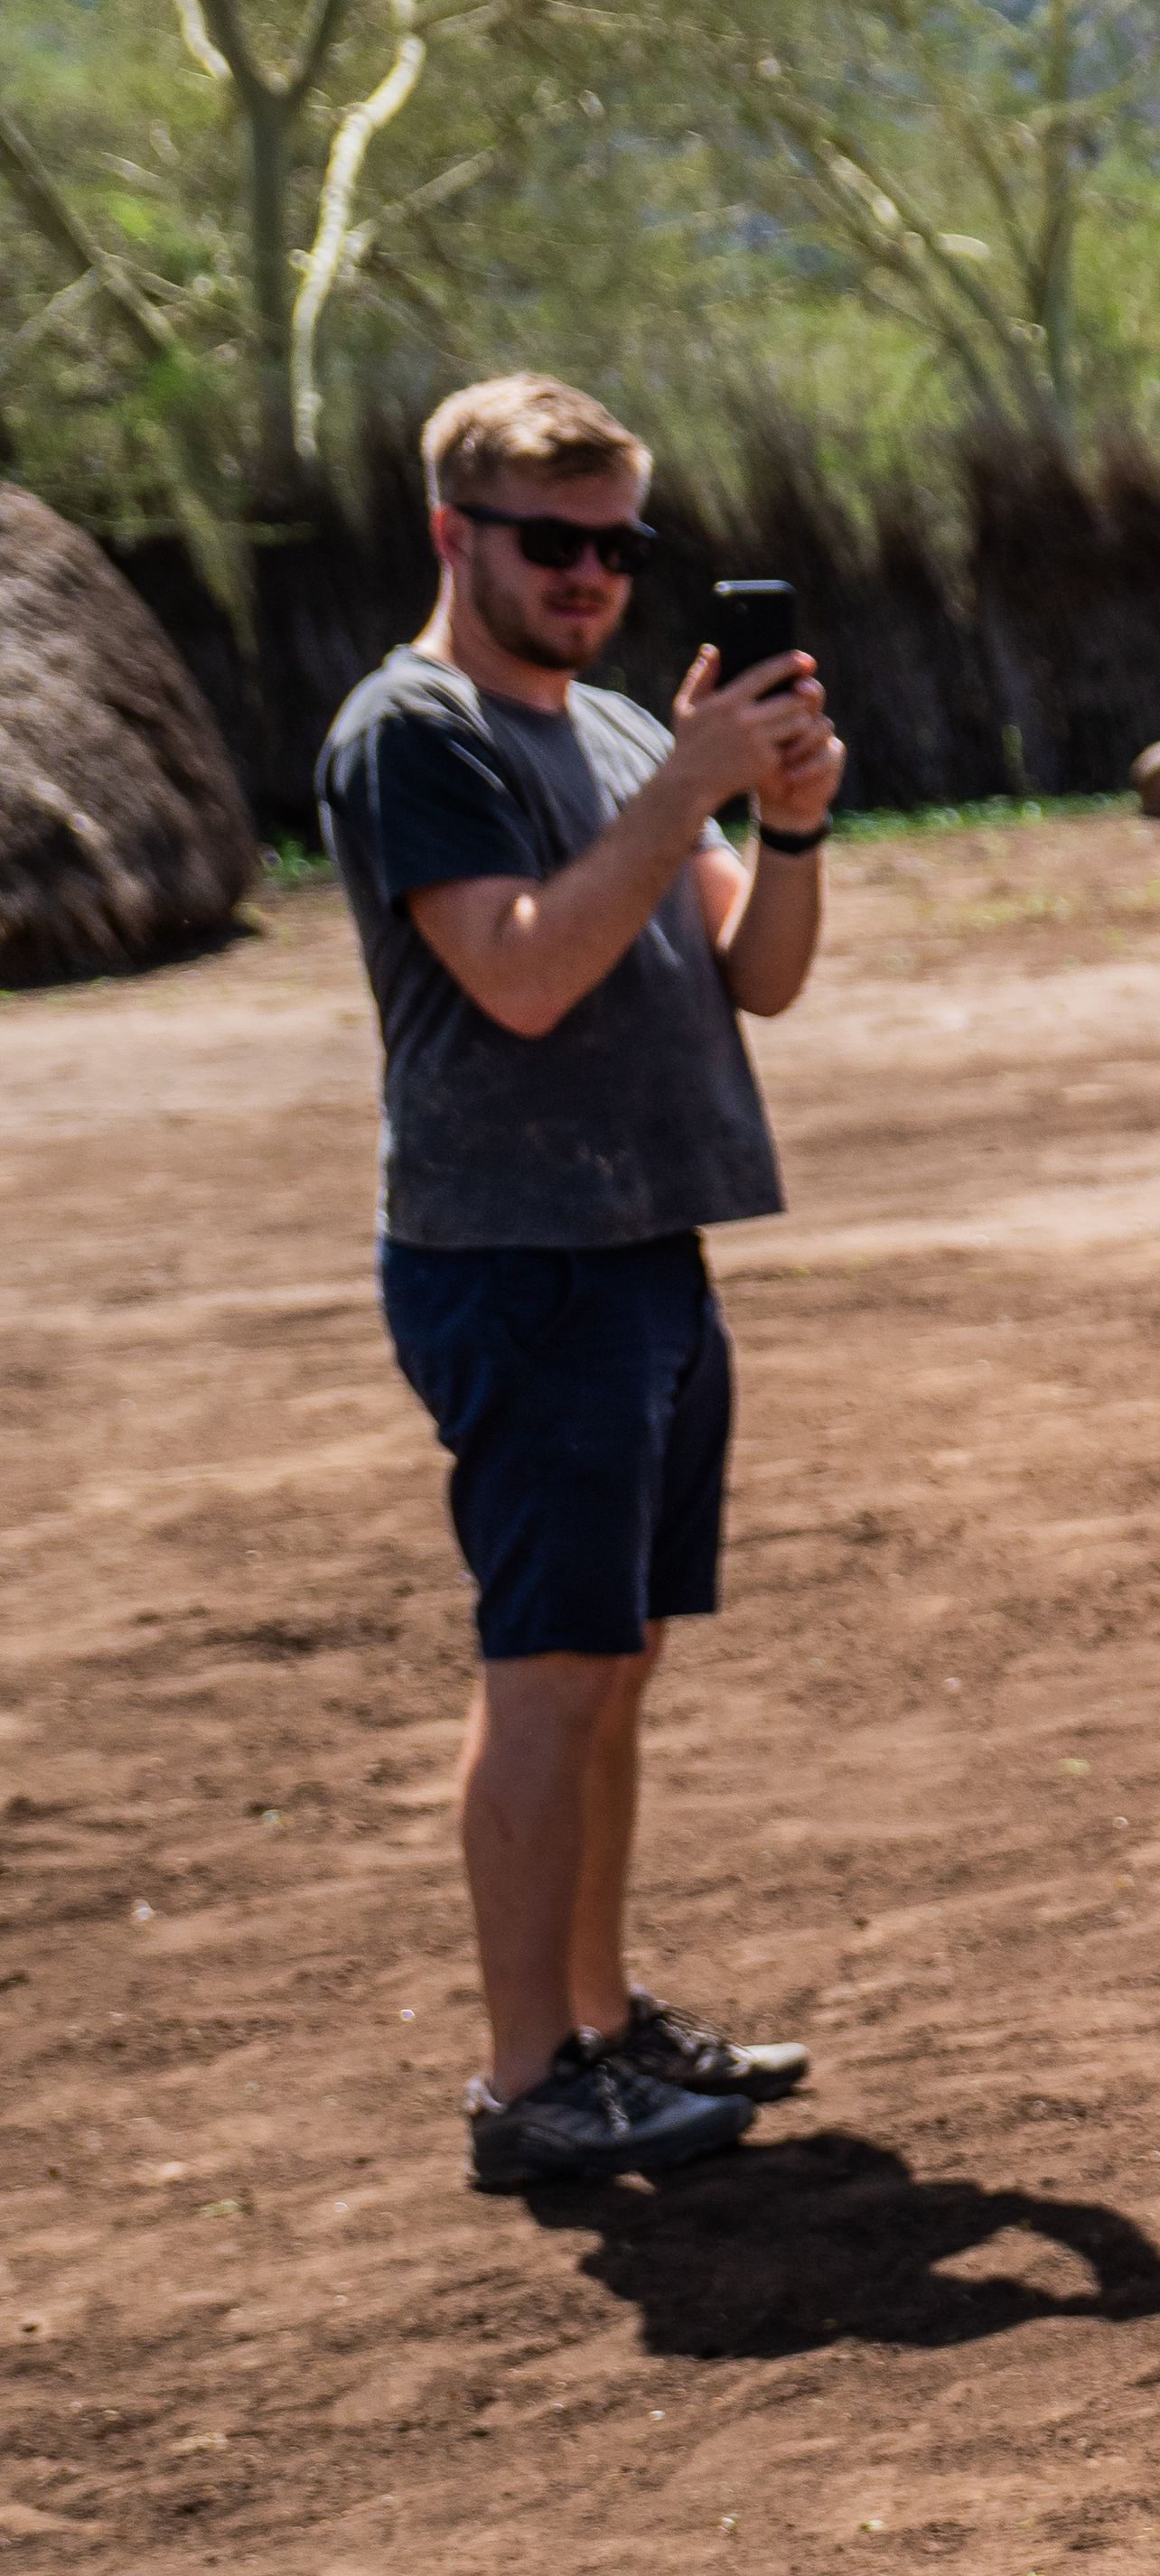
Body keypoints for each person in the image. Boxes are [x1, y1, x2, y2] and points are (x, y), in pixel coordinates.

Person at [314, 371, 846, 2187]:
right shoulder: (417, 731)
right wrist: (690, 781)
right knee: (543, 1667)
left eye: (618, 542)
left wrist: (780, 821)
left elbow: (757, 976)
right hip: (514, 1255)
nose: (592, 574)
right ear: (453, 531)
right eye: (554, 541)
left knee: (613, 1660)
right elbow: (522, 973)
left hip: (647, 1246)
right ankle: (529, 2073)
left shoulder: (621, 735)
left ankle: (605, 2026)